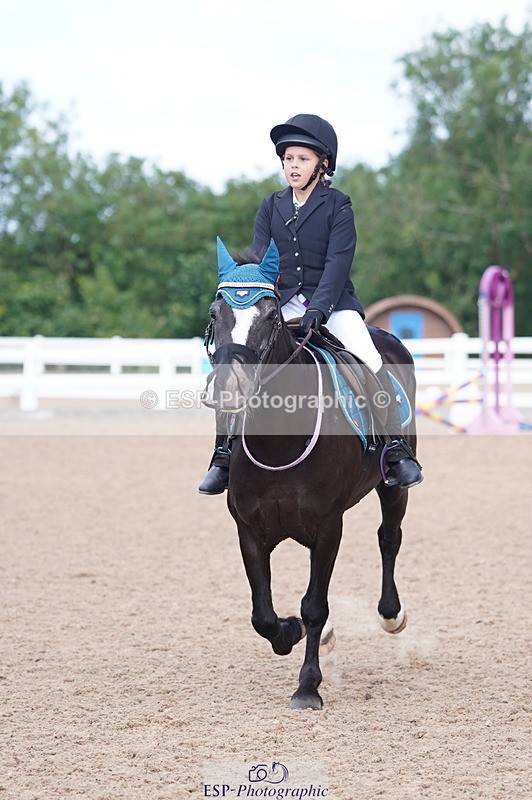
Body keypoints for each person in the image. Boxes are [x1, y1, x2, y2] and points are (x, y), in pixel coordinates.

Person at [198, 113, 423, 494]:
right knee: (238, 361)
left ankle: (395, 449)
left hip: (334, 306)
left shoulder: (338, 205)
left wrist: (319, 308)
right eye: (288, 159)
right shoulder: (271, 206)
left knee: (369, 358)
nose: (293, 166)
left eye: (301, 159)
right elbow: (260, 259)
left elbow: (338, 262)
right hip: (279, 306)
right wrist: (256, 298)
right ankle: (223, 454)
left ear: (322, 164)